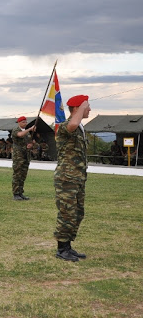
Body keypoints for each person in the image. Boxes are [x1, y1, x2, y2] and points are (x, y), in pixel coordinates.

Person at [53, 95, 91, 262]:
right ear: (77, 108)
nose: (89, 109)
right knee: (67, 213)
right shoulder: (64, 127)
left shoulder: (80, 128)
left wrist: (81, 107)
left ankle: (68, 246)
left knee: (78, 213)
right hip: (66, 178)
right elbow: (72, 124)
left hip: (78, 178)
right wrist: (82, 106)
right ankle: (61, 249)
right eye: (87, 106)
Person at [11, 116, 36, 200]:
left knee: (23, 175)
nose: (25, 123)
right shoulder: (16, 130)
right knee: (17, 174)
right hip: (18, 156)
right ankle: (16, 193)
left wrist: (31, 145)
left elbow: (30, 143)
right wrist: (30, 129)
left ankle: (21, 192)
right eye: (23, 122)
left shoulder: (27, 133)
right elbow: (20, 135)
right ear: (19, 122)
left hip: (26, 156)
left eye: (25, 122)